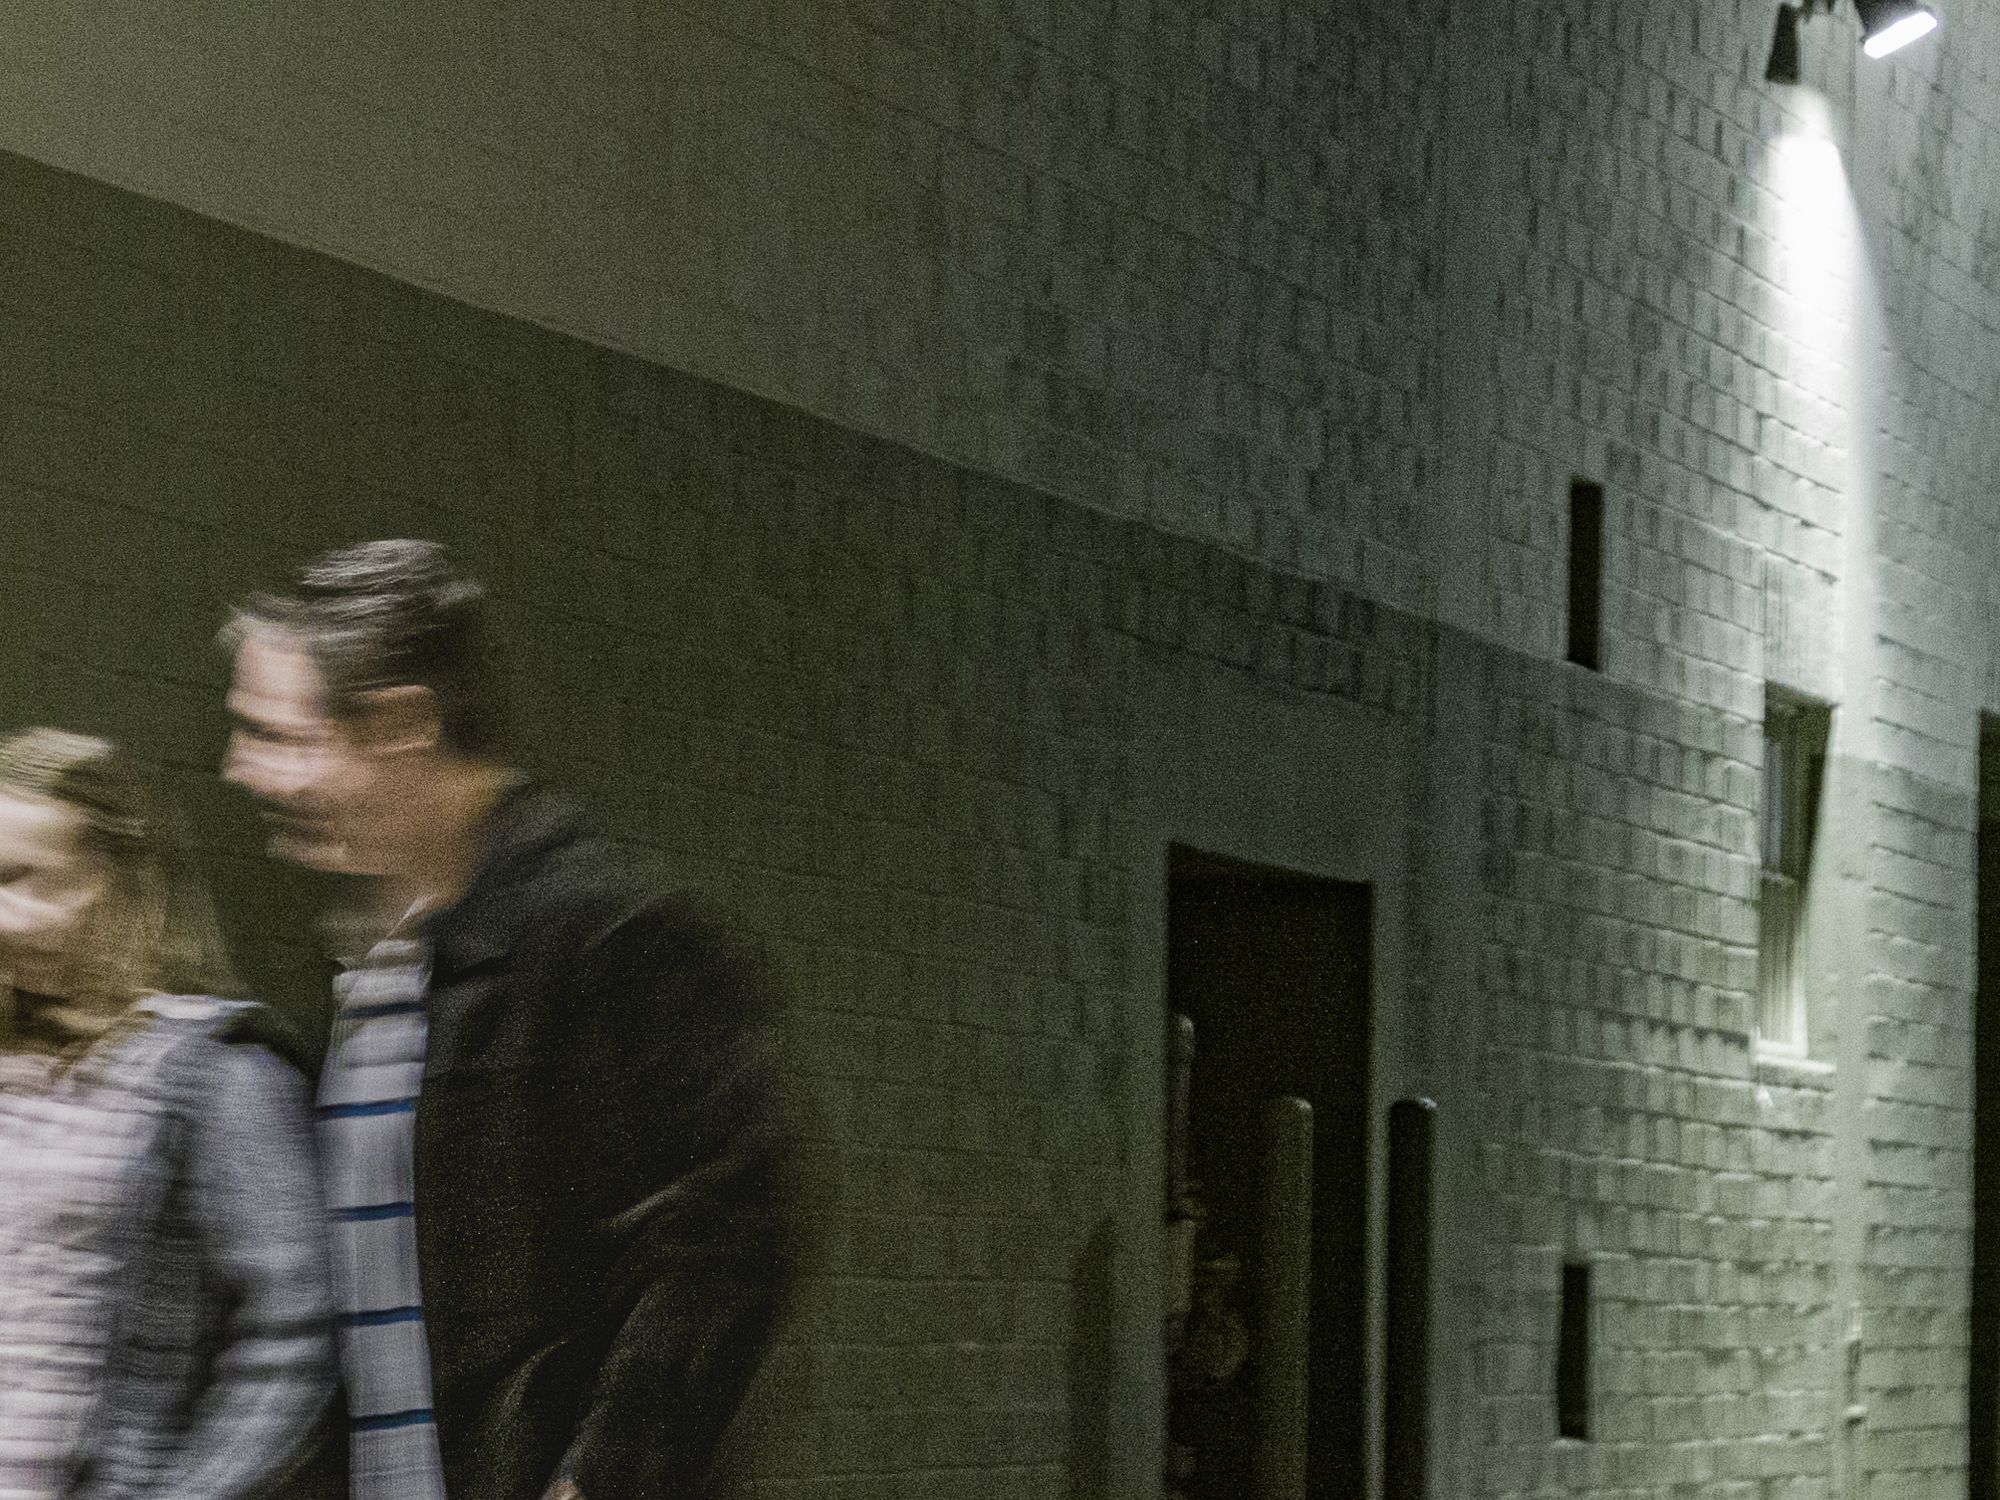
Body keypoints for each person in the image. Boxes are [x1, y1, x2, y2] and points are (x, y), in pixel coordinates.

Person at [220, 539, 798, 1500]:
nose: (241, 769)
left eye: (277, 735)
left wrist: (597, 1481)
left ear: (402, 723)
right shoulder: (374, 956)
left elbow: (727, 1244)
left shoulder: (610, 932)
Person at [0, 727, 333, 1500]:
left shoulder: (212, 1065)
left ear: (115, 878)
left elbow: (294, 1327)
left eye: (27, 879)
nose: (4, 915)